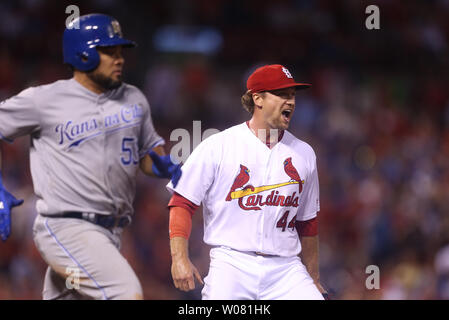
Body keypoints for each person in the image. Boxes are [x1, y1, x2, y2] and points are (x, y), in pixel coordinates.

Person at [0, 13, 181, 300]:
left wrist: (163, 166)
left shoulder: (134, 100)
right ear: (82, 55)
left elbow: (148, 156)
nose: (119, 58)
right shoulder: (44, 100)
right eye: (109, 51)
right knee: (127, 292)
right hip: (66, 226)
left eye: (120, 51)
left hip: (110, 230)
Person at [166, 64, 328, 299]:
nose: (291, 101)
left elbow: (308, 222)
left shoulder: (304, 153)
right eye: (282, 94)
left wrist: (313, 279)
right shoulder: (218, 145)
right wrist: (179, 258)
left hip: (286, 268)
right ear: (258, 98)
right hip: (232, 264)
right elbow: (182, 202)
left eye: (292, 95)